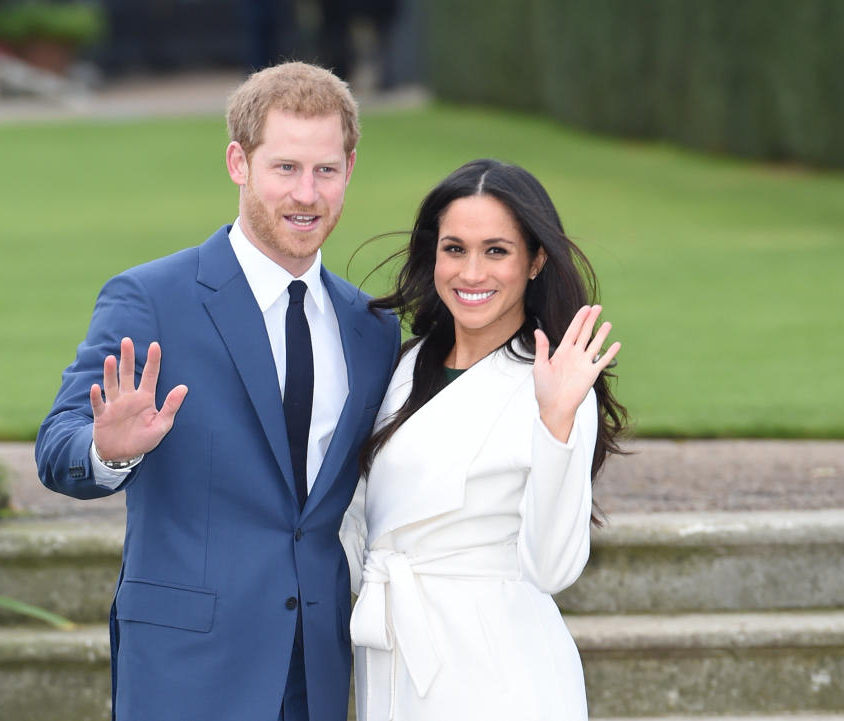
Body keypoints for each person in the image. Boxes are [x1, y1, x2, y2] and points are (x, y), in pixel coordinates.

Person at [35, 62, 401, 721]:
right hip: (186, 672)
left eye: (325, 169)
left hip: (314, 672)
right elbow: (56, 446)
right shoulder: (150, 299)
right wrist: (106, 448)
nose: (307, 194)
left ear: (349, 166)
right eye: (285, 168)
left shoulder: (371, 327)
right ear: (239, 162)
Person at [341, 158, 627, 720]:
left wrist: (556, 423)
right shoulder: (403, 365)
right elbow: (354, 516)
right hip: (392, 653)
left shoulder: (558, 383)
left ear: (535, 260)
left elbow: (551, 568)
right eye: (455, 249)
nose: (472, 273)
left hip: (501, 673)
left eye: (496, 250)